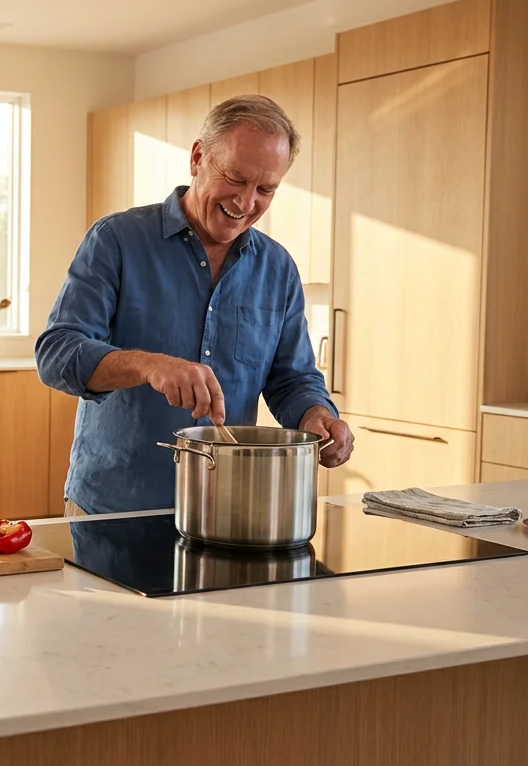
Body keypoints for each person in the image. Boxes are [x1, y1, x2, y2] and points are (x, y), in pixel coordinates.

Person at [35, 94, 354, 516]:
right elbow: (56, 354)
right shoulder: (116, 240)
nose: (245, 203)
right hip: (115, 511)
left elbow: (292, 378)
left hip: (228, 513)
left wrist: (316, 414)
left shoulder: (278, 269)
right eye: (236, 179)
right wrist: (148, 366)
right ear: (198, 157)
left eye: (265, 190)